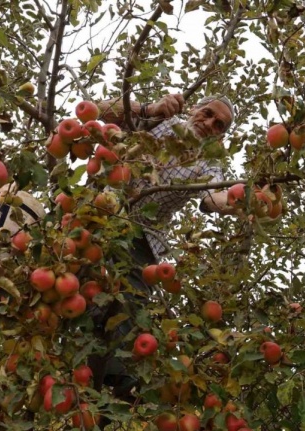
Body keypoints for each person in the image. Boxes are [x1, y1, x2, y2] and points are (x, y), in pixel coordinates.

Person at [87, 94, 237, 411]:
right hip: (101, 214)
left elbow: (214, 199)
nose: (209, 123)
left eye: (218, 124)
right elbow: (95, 109)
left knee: (131, 307)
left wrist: (242, 203)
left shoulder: (208, 164)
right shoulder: (163, 120)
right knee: (77, 280)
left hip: (142, 237)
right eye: (207, 113)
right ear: (196, 108)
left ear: (220, 135)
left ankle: (119, 392)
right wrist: (148, 109)